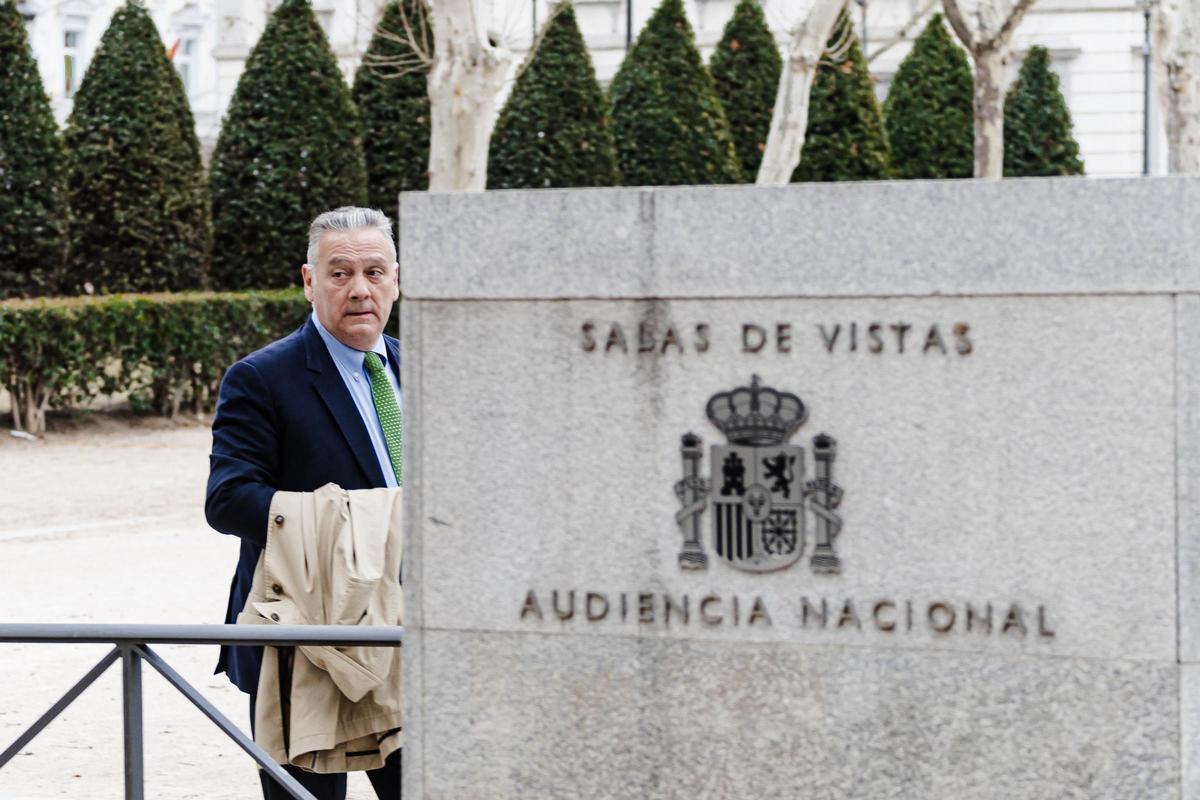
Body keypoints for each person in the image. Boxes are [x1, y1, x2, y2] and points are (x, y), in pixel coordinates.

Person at [205, 207, 403, 799]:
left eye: (374, 271)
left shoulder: (427, 367)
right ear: (308, 281)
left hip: (407, 634)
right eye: (339, 273)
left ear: (397, 278)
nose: (360, 289)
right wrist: (356, 524)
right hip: (306, 642)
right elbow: (228, 499)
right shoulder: (261, 377)